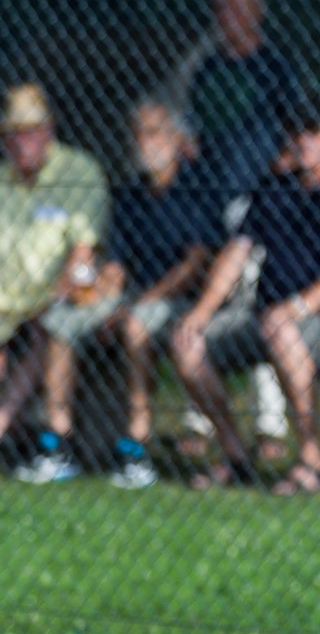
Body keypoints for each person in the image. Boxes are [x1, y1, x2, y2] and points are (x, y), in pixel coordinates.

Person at [171, 103, 320, 492]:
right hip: (265, 317)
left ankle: (309, 461)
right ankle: (235, 455)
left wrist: (295, 309)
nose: (302, 141)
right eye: (295, 132)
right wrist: (200, 313)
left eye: (312, 132)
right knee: (186, 341)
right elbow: (236, 254)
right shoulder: (273, 187)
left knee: (283, 332)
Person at [16, 100, 224, 487]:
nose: (143, 142)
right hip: (131, 296)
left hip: (178, 301)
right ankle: (57, 439)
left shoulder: (198, 186)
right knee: (60, 322)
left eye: (153, 132)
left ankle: (137, 444)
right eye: (138, 134)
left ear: (178, 140)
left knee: (135, 325)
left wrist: (138, 302)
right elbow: (115, 263)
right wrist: (95, 293)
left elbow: (195, 264)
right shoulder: (131, 194)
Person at [0, 83, 108, 478]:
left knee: (51, 323)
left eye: (30, 130)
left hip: (52, 298)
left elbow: (84, 255)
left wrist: (57, 294)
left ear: (48, 131)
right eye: (13, 132)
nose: (21, 140)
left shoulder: (79, 172)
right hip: (4, 303)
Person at [174, 0, 300, 205]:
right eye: (221, 7)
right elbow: (193, 121)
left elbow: (291, 123)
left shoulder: (276, 66)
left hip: (257, 182)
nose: (228, 15)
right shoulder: (208, 66)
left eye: (237, 7)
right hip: (207, 179)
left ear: (257, 12)